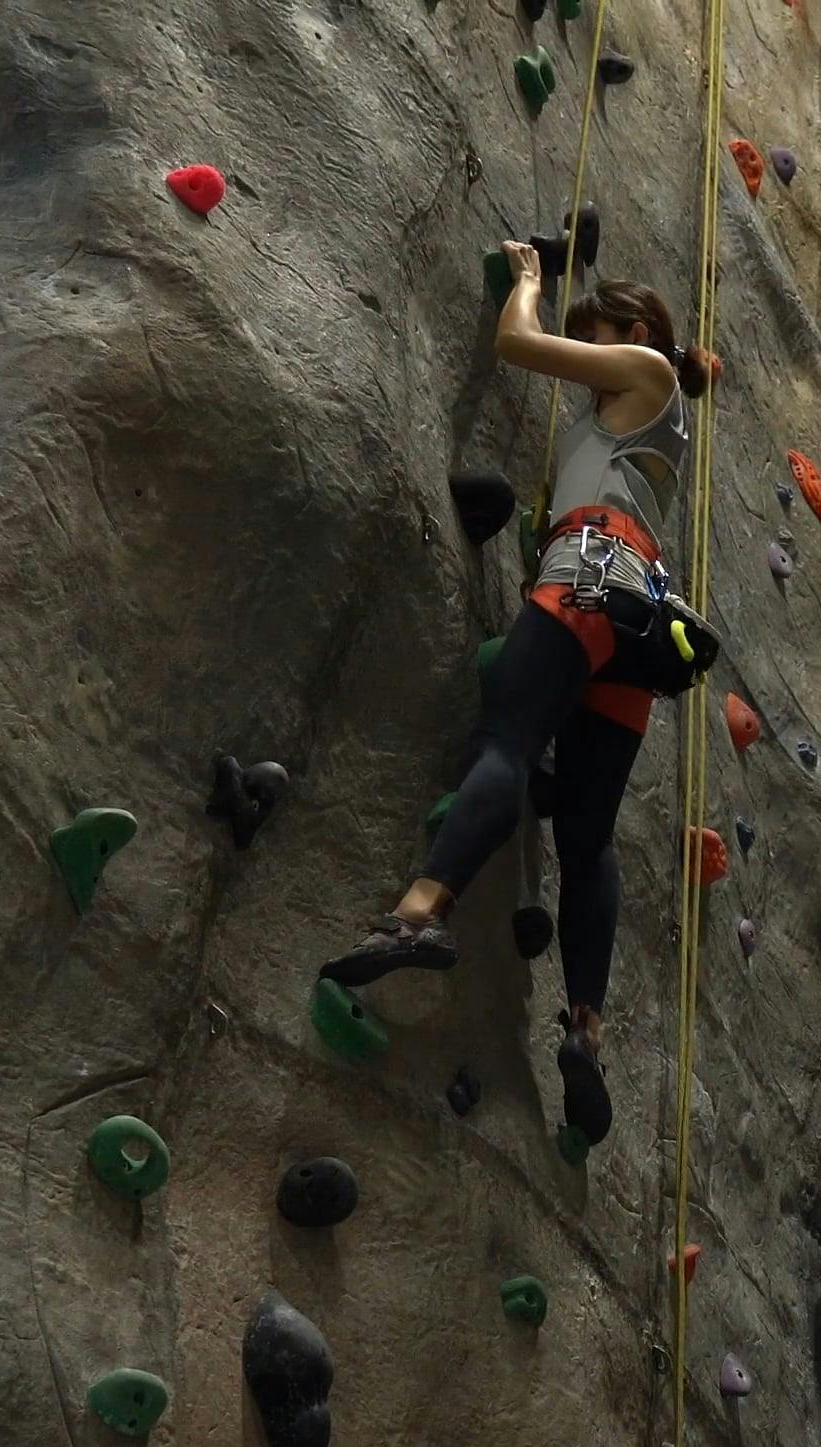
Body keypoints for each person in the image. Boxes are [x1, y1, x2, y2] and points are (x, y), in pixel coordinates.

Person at [322, 238, 711, 1145]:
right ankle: (585, 1028)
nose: (588, 357)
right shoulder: (630, 421)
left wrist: (530, 284)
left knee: (505, 742)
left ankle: (419, 915)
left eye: (597, 334)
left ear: (639, 330)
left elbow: (515, 346)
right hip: (634, 615)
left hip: (586, 575)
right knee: (586, 835)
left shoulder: (648, 370)